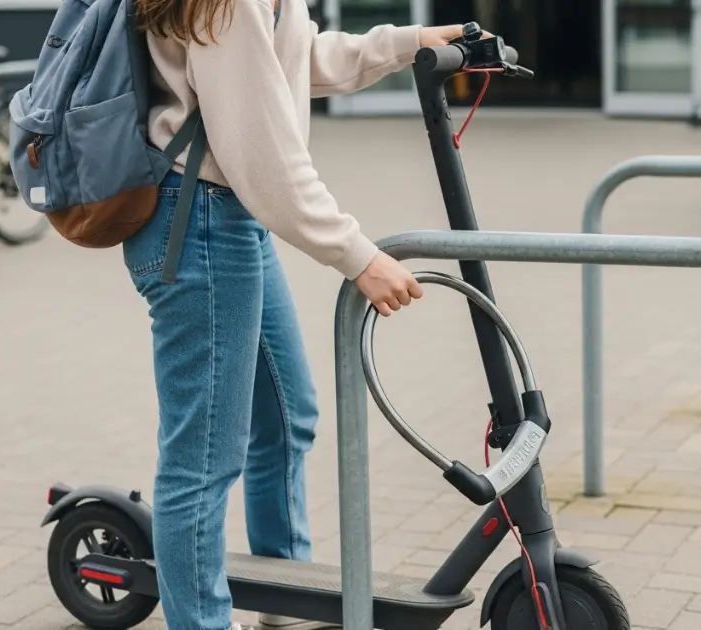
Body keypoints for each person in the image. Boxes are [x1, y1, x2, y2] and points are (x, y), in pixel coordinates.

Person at [130, 1, 477, 627]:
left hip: (227, 215)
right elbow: (263, 153)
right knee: (203, 458)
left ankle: (285, 602)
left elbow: (290, 60)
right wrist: (357, 254)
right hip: (202, 218)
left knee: (289, 414)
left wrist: (407, 42)